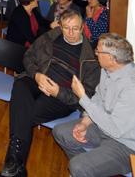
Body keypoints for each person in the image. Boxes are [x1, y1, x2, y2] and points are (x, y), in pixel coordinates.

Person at [0, 10, 101, 177]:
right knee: (21, 84)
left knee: (23, 114)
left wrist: (58, 91)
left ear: (83, 27)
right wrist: (37, 75)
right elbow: (28, 56)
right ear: (60, 26)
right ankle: (16, 167)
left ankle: (14, 166)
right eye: (66, 28)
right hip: (40, 80)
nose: (71, 33)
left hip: (62, 97)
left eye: (75, 28)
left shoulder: (91, 59)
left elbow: (84, 97)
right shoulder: (52, 36)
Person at [53, 33, 135, 177]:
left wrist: (82, 97)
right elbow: (98, 97)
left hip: (126, 145)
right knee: (61, 132)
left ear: (112, 58)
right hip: (103, 127)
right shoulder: (106, 69)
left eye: (98, 51)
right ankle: (88, 170)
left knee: (77, 166)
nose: (95, 53)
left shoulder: (131, 86)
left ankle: (84, 169)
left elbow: (115, 129)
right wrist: (85, 122)